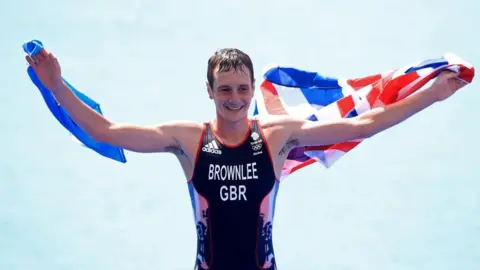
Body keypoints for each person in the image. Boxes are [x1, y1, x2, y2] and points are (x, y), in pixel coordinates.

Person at [26, 47, 466, 270]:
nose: (234, 99)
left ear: (252, 90)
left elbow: (364, 126)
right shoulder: (187, 140)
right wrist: (56, 84)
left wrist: (431, 94)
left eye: (241, 89)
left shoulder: (277, 136)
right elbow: (104, 130)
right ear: (209, 91)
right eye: (224, 90)